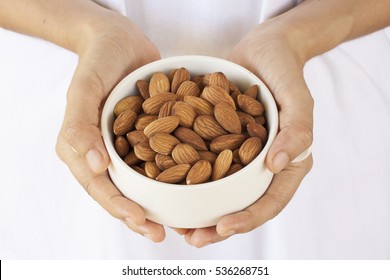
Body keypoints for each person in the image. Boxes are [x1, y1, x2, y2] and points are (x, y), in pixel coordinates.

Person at [0, 0, 389, 259]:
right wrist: (88, 30)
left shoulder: (227, 121)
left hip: (305, 81)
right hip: (82, 77)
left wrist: (296, 36)